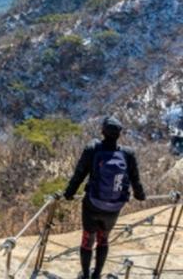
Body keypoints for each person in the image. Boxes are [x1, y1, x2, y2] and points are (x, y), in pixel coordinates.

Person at [63, 117, 146, 279]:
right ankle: (97, 275)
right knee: (103, 239)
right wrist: (140, 195)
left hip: (93, 204)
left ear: (102, 131)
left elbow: (79, 174)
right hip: (114, 206)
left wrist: (69, 193)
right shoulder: (128, 154)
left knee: (88, 239)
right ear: (119, 135)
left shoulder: (93, 148)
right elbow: (136, 180)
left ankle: (85, 275)